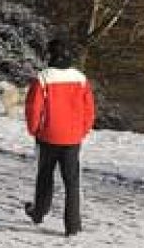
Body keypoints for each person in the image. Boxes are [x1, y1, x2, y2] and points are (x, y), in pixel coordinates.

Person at [23, 37, 96, 237]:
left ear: (50, 55)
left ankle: (39, 213)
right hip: (73, 137)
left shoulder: (43, 78)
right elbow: (89, 109)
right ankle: (73, 226)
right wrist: (82, 130)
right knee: (72, 182)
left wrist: (34, 130)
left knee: (45, 176)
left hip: (48, 136)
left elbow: (33, 108)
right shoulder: (80, 78)